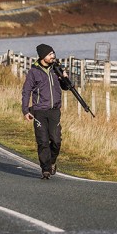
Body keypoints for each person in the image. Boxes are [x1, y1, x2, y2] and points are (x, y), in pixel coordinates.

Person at [21, 43, 71, 179]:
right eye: (50, 54)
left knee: (56, 141)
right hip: (39, 112)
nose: (53, 56)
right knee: (42, 141)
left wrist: (64, 77)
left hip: (54, 111)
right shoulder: (33, 72)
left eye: (53, 53)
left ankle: (52, 161)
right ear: (43, 56)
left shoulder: (56, 70)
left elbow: (66, 87)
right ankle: (46, 169)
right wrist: (25, 110)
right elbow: (26, 91)